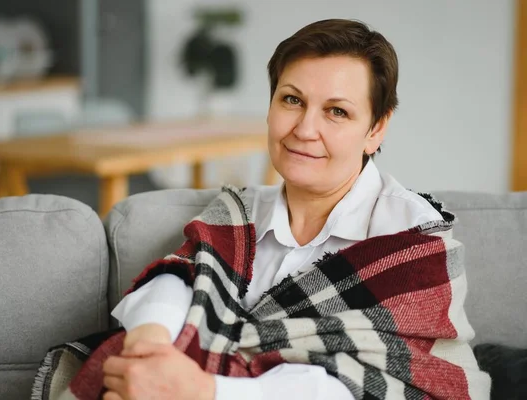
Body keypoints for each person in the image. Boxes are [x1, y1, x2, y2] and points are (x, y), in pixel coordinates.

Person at [101, 19, 489, 400]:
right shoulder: (239, 211)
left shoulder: (413, 237)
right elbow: (180, 277)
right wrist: (150, 351)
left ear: (376, 129)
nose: (304, 129)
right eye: (292, 100)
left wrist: (204, 391)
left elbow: (376, 383)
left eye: (337, 111)